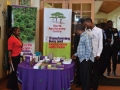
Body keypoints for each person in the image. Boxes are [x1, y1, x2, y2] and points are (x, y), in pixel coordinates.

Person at [72, 24, 94, 90]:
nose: (76, 32)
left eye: (76, 30)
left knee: (86, 78)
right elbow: (81, 48)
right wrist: (75, 54)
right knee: (83, 77)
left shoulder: (86, 36)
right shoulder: (82, 36)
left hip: (86, 60)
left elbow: (89, 49)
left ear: (78, 30)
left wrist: (86, 59)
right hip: (82, 59)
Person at [85, 18, 103, 90]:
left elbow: (100, 43)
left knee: (95, 73)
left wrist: (98, 54)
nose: (86, 25)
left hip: (95, 55)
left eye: (86, 24)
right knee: (88, 72)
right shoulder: (86, 30)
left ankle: (95, 87)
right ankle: (89, 85)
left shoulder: (99, 30)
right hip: (88, 55)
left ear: (90, 22)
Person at [73, 18, 85, 88]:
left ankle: (83, 82)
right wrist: (75, 52)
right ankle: (78, 81)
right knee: (78, 68)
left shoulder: (86, 33)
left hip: (84, 55)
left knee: (83, 70)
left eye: (80, 23)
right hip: (78, 53)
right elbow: (75, 42)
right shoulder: (77, 32)